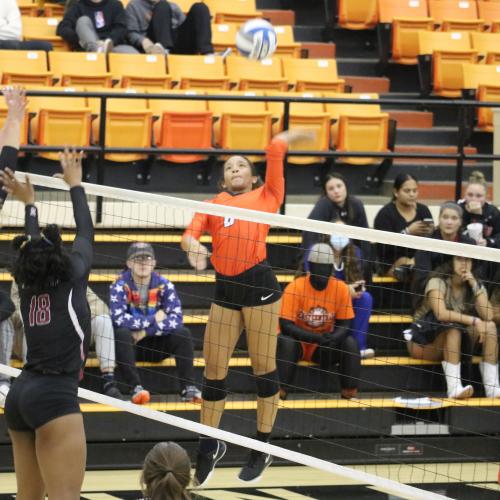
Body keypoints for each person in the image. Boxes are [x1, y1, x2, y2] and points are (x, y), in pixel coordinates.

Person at [181, 129, 313, 486]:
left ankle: (263, 444)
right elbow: (190, 232)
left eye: (241, 165)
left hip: (260, 287)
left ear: (253, 176)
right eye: (228, 166)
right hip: (226, 289)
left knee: (263, 369)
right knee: (213, 370)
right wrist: (192, 245)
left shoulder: (267, 196)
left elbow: (275, 151)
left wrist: (292, 135)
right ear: (222, 178)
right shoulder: (211, 206)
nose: (234, 169)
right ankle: (209, 446)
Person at [1, 148, 92, 498]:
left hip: (21, 393)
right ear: (61, 255)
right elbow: (86, 230)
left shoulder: (27, 278)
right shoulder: (73, 273)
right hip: (54, 395)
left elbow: (33, 246)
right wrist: (76, 185)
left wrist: (30, 205)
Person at [110, 242, 201, 405]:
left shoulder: (165, 285)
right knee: (121, 333)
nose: (143, 263)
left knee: (183, 334)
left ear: (154, 263)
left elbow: (176, 319)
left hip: (155, 345)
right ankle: (135, 388)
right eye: (137, 259)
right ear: (129, 263)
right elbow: (118, 319)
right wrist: (154, 319)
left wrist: (145, 331)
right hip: (132, 347)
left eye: (147, 259)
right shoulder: (119, 285)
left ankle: (188, 388)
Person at [407, 256, 500, 399]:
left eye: (468, 260)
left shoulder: (474, 285)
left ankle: (492, 388)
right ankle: (454, 388)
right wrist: (474, 320)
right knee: (453, 328)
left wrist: (474, 284)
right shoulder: (437, 281)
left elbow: (488, 315)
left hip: (455, 340)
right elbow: (441, 314)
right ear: (451, 261)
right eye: (459, 259)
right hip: (424, 341)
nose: (464, 264)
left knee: (491, 327)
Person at [277, 243, 360, 400]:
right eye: (318, 268)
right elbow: (286, 326)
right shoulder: (294, 287)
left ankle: (349, 393)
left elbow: (345, 325)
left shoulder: (341, 288)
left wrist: (333, 338)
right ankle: (279, 392)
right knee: (286, 342)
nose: (322, 272)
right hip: (297, 343)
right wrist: (314, 337)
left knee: (350, 343)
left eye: (325, 268)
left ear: (331, 268)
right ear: (311, 267)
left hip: (321, 346)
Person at [374, 174, 434, 279]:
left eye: (415, 191)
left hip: (419, 258)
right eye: (407, 191)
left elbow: (432, 242)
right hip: (392, 260)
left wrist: (431, 231)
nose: (412, 194)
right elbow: (383, 248)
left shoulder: (423, 210)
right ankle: (410, 269)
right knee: (408, 263)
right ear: (396, 192)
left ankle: (411, 268)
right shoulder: (385, 214)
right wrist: (407, 232)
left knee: (421, 264)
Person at [302, 172, 370, 260]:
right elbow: (310, 234)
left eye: (339, 186)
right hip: (325, 257)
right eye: (331, 188)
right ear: (326, 192)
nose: (336, 191)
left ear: (345, 186)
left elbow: (364, 237)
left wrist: (366, 265)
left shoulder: (356, 204)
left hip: (352, 257)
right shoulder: (323, 205)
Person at [329, 228, 374, 359]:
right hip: (324, 297)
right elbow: (314, 280)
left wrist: (357, 288)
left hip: (347, 299)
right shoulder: (318, 250)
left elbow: (357, 280)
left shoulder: (354, 252)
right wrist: (344, 290)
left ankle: (358, 348)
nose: (339, 236)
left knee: (365, 298)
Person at [413, 202, 476, 295]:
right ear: (439, 219)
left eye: (454, 218)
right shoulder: (426, 243)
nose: (449, 222)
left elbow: (475, 273)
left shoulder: (469, 243)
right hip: (432, 292)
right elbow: (422, 277)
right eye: (445, 217)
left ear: (460, 222)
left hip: (462, 291)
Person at [126, 0, 213, 55]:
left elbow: (184, 28)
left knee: (200, 7)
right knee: (162, 6)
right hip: (153, 43)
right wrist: (142, 40)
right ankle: (164, 50)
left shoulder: (173, 6)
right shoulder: (134, 5)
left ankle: (207, 53)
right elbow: (130, 32)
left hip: (177, 44)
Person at [57, 0, 139, 54]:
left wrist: (108, 42)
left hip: (111, 46)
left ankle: (100, 50)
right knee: (83, 20)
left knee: (133, 55)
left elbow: (121, 28)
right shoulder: (77, 6)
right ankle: (96, 50)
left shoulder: (115, 4)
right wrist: (81, 39)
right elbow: (63, 28)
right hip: (88, 47)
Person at [458, 171, 500, 249]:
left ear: (486, 196)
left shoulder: (493, 212)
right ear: (464, 194)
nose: (474, 199)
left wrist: (488, 242)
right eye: (470, 195)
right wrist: (476, 215)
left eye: (479, 196)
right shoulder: (458, 209)